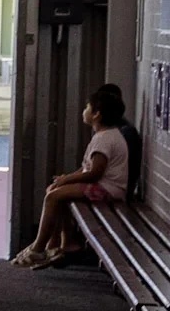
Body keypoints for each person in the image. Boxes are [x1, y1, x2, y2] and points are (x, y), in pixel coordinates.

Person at [14, 84, 133, 267]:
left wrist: (66, 179)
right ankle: (61, 243)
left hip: (108, 189)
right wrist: (64, 180)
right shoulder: (104, 135)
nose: (84, 110)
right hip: (103, 186)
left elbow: (95, 173)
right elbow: (86, 168)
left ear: (96, 114)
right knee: (56, 191)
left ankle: (39, 247)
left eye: (87, 107)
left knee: (54, 196)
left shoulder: (105, 139)